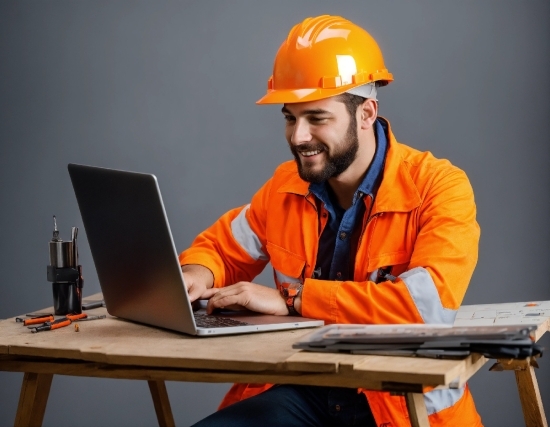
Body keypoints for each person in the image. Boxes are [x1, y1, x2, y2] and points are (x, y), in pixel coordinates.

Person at [179, 14, 482, 427]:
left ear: (366, 113)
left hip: (398, 406)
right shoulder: (285, 187)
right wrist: (196, 273)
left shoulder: (439, 187)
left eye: (316, 118)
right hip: (305, 391)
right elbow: (223, 248)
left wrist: (294, 299)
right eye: (290, 117)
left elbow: (420, 309)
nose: (298, 136)